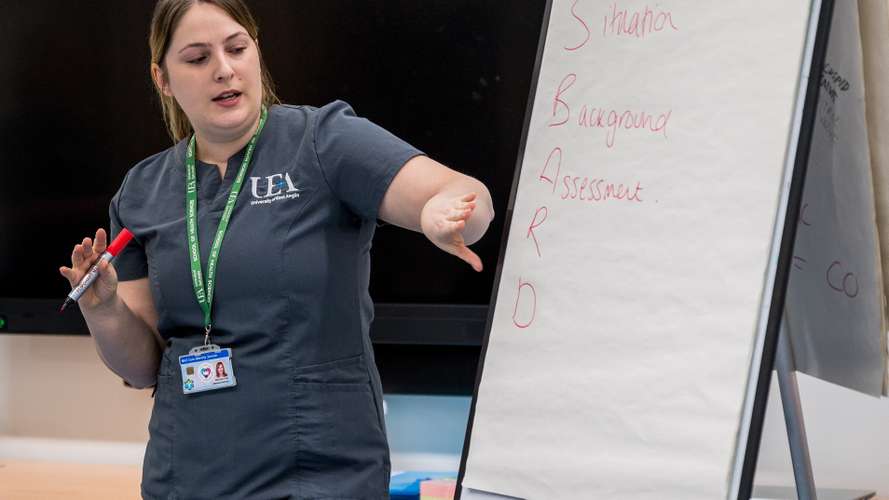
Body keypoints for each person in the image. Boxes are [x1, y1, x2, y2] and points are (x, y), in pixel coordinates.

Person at [57, 0, 494, 498]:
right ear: (163, 79)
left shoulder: (324, 141)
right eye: (198, 59)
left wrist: (439, 216)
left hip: (318, 470)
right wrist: (103, 308)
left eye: (237, 48)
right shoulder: (141, 190)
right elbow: (139, 367)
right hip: (188, 472)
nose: (224, 69)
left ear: (256, 51)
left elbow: (470, 199)